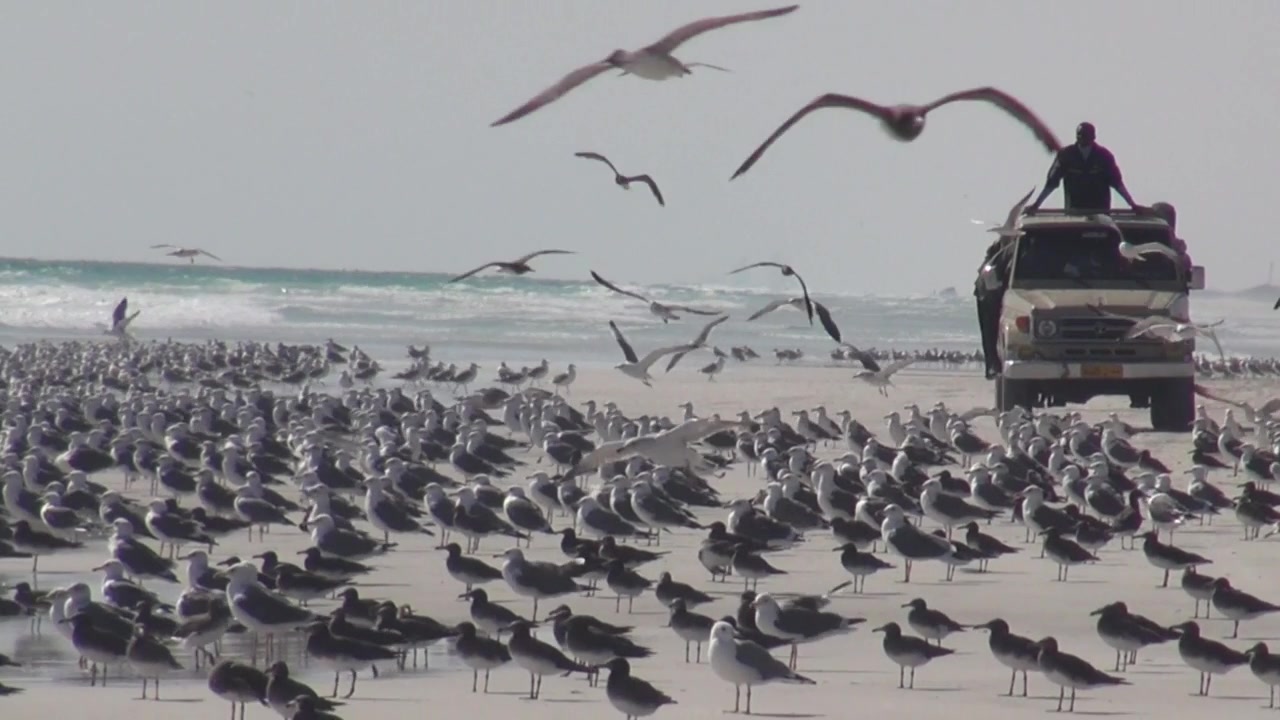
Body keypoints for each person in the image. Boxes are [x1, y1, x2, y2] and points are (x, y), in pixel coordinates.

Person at [1026, 122, 1142, 212]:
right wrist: (1037, 204)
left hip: (1101, 212)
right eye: (1080, 136)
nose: (1083, 139)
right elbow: (1052, 183)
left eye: (1086, 136)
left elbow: (1117, 183)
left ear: (1093, 137)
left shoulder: (1104, 156)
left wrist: (1132, 204)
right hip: (1074, 212)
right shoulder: (1066, 155)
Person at [974, 236, 1014, 380]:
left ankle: (992, 365)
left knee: (989, 334)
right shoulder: (1003, 252)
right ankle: (992, 365)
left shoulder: (1001, 251)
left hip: (987, 295)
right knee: (990, 333)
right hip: (988, 298)